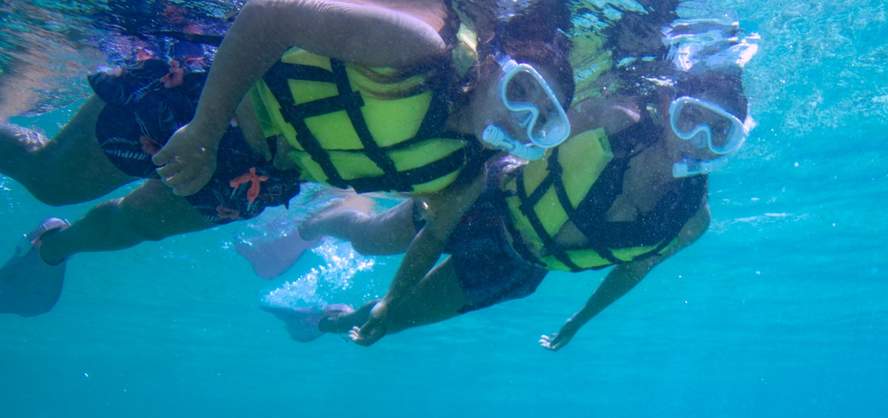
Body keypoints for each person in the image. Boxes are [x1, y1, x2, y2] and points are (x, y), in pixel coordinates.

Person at [0, 0, 574, 316]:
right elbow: (270, 15)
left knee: (133, 225)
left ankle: (53, 246)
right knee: (51, 178)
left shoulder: (459, 173)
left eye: (539, 122)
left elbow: (428, 238)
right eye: (520, 90)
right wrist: (203, 129)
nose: (517, 119)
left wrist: (391, 307)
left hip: (262, 171)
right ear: (497, 64)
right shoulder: (417, 47)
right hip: (215, 95)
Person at [261, 21, 757, 351]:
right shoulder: (615, 118)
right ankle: (320, 219)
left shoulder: (691, 221)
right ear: (667, 112)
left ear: (737, 143)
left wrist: (579, 322)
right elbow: (526, 130)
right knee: (373, 238)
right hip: (486, 200)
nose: (700, 142)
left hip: (516, 265)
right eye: (690, 119)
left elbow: (631, 273)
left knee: (389, 320)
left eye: (721, 134)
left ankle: (318, 320)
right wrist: (450, 180)